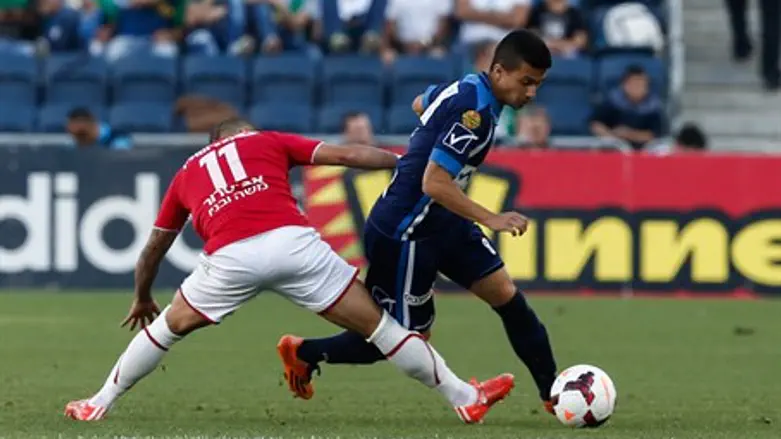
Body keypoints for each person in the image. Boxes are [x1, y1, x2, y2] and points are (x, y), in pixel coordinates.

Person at [64, 119, 514, 424]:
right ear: (243, 133)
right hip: (292, 245)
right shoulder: (268, 140)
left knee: (164, 330)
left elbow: (153, 247)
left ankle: (97, 402)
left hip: (230, 258)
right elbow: (348, 156)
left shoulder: (187, 173)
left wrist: (143, 295)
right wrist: (407, 165)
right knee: (384, 329)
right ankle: (466, 399)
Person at [279, 29, 560, 415]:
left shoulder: (467, 87)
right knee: (401, 338)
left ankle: (554, 395)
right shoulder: (473, 115)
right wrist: (491, 218)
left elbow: (420, 103)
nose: (530, 94)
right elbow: (433, 181)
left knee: (508, 297)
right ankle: (304, 352)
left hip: (443, 220)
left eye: (537, 85)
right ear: (498, 71)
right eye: (525, 82)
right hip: (405, 231)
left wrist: (428, 138)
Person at [589, 64, 664, 150]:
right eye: (634, 83)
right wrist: (611, 138)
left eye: (642, 84)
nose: (638, 87)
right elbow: (595, 124)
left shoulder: (653, 107)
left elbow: (654, 135)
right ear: (624, 85)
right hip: (613, 149)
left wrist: (629, 134)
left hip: (643, 152)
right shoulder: (613, 102)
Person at [66, 108, 133, 150]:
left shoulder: (118, 138)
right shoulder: (73, 146)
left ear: (93, 124)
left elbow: (121, 160)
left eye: (82, 134)